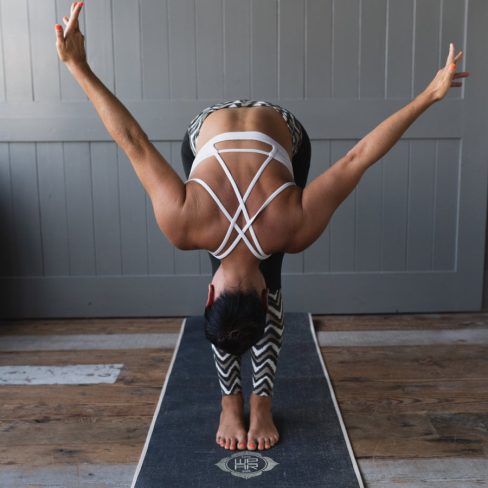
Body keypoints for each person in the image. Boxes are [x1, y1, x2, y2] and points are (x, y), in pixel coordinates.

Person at [55, 2, 469, 452]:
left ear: (230, 294)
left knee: (240, 260)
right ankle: (233, 404)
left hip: (248, 128)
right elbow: (132, 140)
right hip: (252, 128)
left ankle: (256, 402)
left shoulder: (279, 226)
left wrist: (430, 95)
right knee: (238, 276)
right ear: (214, 294)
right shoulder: (194, 224)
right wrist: (78, 65)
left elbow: (359, 157)